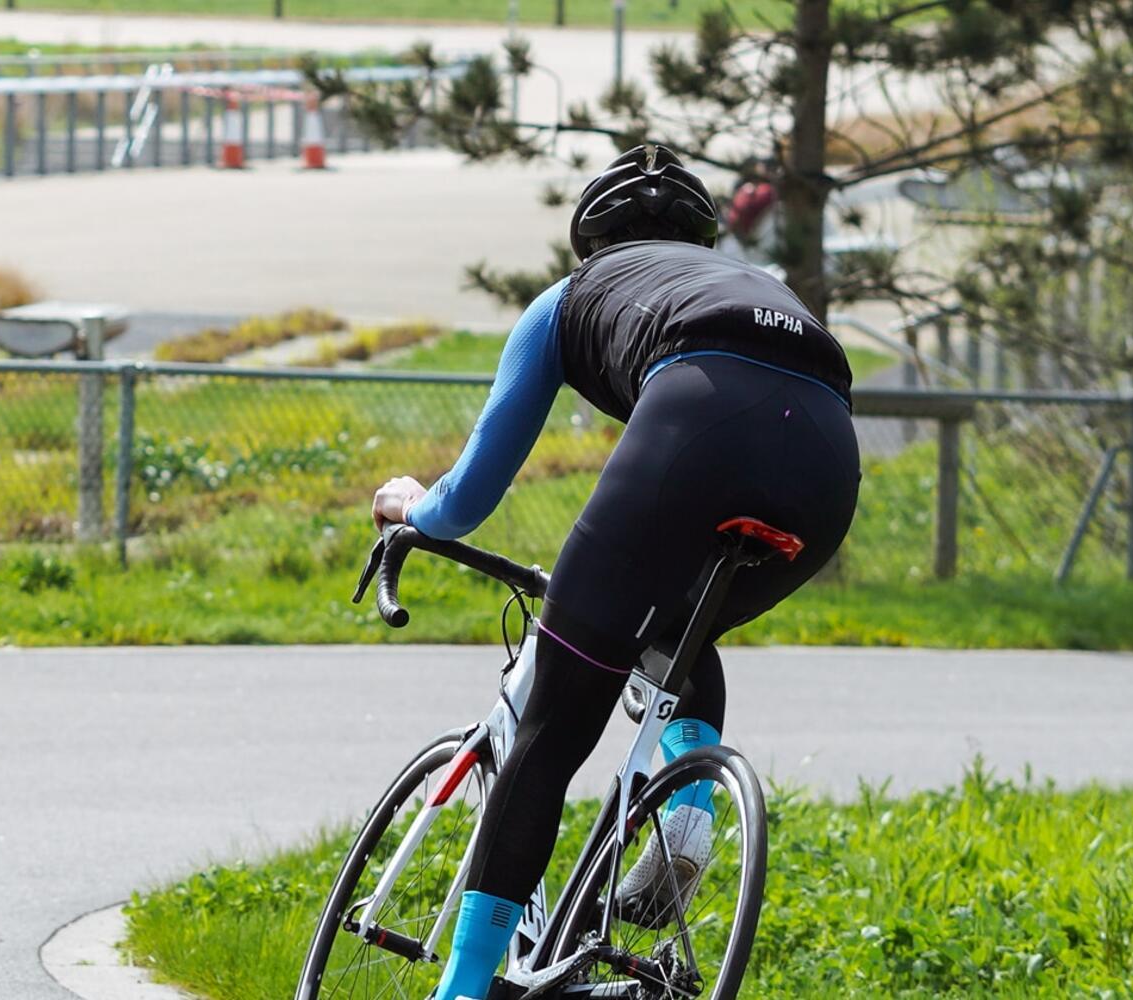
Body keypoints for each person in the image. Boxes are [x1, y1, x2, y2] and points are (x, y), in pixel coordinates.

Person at [369, 144, 860, 1000]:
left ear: (590, 245)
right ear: (703, 242)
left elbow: (464, 503)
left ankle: (462, 989)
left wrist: (409, 505)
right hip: (827, 455)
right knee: (674, 625)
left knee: (555, 727)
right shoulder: (759, 287)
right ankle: (690, 813)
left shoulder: (571, 299)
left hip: (700, 417)